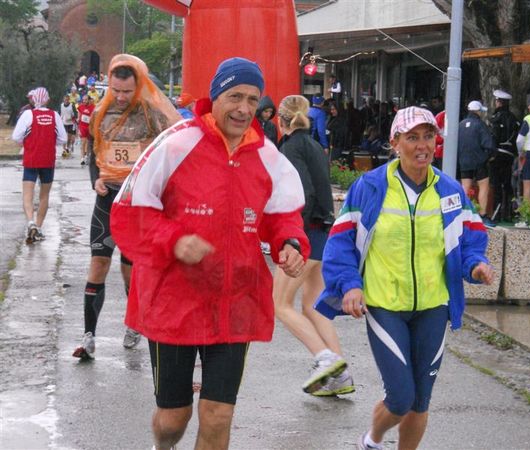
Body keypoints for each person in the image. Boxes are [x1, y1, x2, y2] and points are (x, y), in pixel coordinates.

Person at [109, 56, 309, 450]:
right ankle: (162, 445)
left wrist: (289, 243)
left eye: (253, 99)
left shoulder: (268, 157)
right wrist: (174, 240)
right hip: (174, 303)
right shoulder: (177, 143)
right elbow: (131, 210)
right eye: (235, 96)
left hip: (234, 301)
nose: (244, 108)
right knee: (173, 420)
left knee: (219, 415)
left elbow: (283, 215)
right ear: (215, 95)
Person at [314, 106, 494, 450]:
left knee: (420, 400)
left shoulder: (450, 191)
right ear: (395, 142)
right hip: (385, 305)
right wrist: (350, 285)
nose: (422, 145)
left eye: (428, 136)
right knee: (400, 397)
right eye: (412, 137)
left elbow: (470, 238)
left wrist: (475, 265)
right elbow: (340, 243)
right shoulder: (370, 187)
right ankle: (372, 439)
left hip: (433, 305)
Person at [72, 54, 181, 361]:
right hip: (107, 200)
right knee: (98, 263)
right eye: (115, 90)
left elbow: (171, 151)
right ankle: (89, 335)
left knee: (131, 271)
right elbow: (95, 151)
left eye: (126, 92)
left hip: (137, 203)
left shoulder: (152, 114)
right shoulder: (100, 112)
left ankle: (133, 325)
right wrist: (95, 180)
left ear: (138, 87)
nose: (120, 97)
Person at [274, 94, 354, 396]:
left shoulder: (291, 147)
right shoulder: (315, 146)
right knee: (312, 305)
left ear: (280, 119)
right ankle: (339, 373)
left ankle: (327, 360)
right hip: (322, 232)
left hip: (304, 233)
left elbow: (300, 193)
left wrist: (291, 238)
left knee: (279, 304)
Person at [12, 87, 67, 243]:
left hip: (31, 159)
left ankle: (30, 222)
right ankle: (39, 226)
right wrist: (49, 141)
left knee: (27, 195)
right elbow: (62, 139)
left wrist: (27, 142)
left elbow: (16, 136)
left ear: (32, 100)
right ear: (47, 100)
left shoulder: (27, 115)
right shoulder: (54, 115)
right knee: (44, 195)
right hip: (48, 160)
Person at [458, 100, 496, 226]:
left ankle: (463, 214)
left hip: (464, 161)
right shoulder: (480, 125)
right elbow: (489, 145)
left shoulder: (461, 124)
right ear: (478, 111)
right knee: (483, 187)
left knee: (465, 188)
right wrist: (489, 157)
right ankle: (483, 215)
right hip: (479, 162)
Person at [489, 89, 520, 222]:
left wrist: (491, 153)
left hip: (498, 154)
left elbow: (494, 137)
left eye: (496, 101)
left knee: (496, 185)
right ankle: (509, 213)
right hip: (510, 155)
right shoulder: (514, 119)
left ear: (499, 102)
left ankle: (496, 214)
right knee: (507, 185)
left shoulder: (496, 118)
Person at [77, 95, 95, 166]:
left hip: (89, 127)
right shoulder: (80, 107)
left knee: (88, 143)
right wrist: (78, 119)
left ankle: (87, 156)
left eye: (86, 100)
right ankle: (82, 158)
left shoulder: (93, 107)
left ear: (89, 100)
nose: (84, 101)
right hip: (82, 127)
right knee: (83, 142)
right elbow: (79, 116)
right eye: (83, 100)